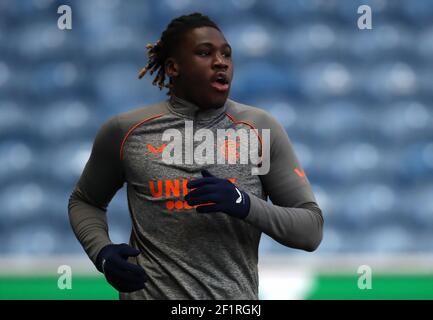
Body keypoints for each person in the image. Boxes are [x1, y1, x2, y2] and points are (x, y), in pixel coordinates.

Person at [68, 12, 323, 300]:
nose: (221, 62)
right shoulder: (125, 131)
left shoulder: (260, 129)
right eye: (205, 53)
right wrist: (101, 253)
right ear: (173, 67)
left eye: (227, 54)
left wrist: (243, 203)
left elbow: (310, 230)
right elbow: (85, 201)